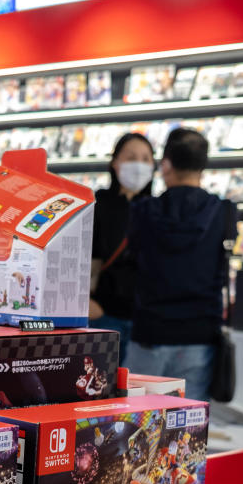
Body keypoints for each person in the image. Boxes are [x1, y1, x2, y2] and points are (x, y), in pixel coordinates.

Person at [125, 128, 236, 402]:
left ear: (166, 164)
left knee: (135, 424)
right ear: (202, 165)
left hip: (149, 332)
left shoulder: (143, 210)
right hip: (200, 335)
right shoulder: (224, 212)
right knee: (190, 429)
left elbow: (132, 263)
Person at [89, 132, 155, 364]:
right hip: (103, 316)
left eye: (146, 158)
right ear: (115, 163)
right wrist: (84, 301)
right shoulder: (98, 203)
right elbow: (81, 257)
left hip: (144, 323)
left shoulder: (157, 208)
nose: (139, 164)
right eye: (131, 157)